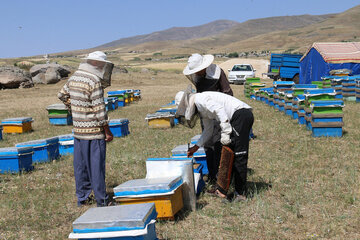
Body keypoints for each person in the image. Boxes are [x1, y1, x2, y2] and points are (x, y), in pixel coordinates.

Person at [176, 86, 254, 202]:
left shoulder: (200, 99)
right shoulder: (201, 109)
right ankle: (224, 189)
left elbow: (219, 109)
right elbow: (208, 131)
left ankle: (241, 193)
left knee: (239, 155)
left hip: (241, 115)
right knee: (229, 155)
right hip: (235, 118)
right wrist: (196, 147)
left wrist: (226, 132)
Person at [58, 51, 114, 207]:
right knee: (96, 167)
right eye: (102, 64)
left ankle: (82, 198)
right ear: (97, 64)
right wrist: (107, 131)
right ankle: (102, 200)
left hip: (78, 130)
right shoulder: (94, 81)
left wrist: (75, 109)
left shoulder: (74, 77)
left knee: (80, 165)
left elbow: (62, 95)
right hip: (94, 132)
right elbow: (100, 110)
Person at [183, 53, 233, 183]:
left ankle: (220, 176)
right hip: (206, 112)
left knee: (218, 143)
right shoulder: (197, 77)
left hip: (219, 112)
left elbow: (227, 92)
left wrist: (222, 115)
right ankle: (211, 175)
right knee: (208, 143)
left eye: (198, 70)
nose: (197, 73)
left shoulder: (217, 72)